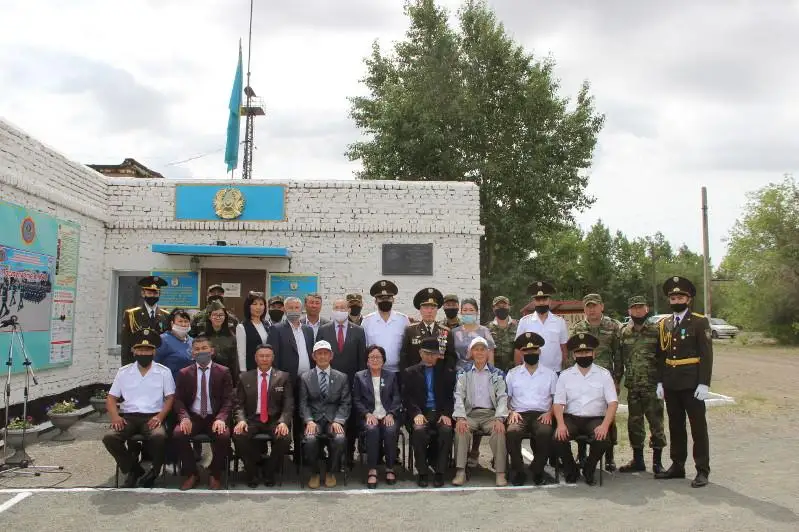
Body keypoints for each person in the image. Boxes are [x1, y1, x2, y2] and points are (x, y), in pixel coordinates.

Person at [655, 276, 713, 488]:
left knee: (698, 428)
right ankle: (677, 465)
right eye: (673, 296)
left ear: (688, 299)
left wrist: (704, 383)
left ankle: (702, 470)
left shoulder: (699, 321)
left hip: (692, 383)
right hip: (671, 383)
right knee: (675, 426)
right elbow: (662, 355)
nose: (676, 299)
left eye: (680, 296)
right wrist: (660, 382)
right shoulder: (665, 324)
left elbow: (706, 355)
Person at [102, 328, 175, 488]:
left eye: (148, 350)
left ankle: (154, 471)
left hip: (152, 417)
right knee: (110, 437)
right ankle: (133, 469)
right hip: (128, 417)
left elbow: (170, 398)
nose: (144, 353)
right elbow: (111, 398)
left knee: (159, 437)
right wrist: (115, 417)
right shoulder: (124, 372)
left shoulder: (164, 372)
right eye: (140, 349)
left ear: (154, 352)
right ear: (133, 351)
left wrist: (160, 417)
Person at [553, 333, 618, 485]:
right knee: (557, 438)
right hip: (572, 418)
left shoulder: (604, 374)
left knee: (603, 439)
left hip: (595, 419)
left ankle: (589, 467)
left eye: (587, 352)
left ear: (594, 353)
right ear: (574, 355)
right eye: (580, 353)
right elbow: (558, 403)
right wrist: (561, 424)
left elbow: (613, 403)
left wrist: (604, 426)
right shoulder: (565, 375)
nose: (584, 355)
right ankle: (571, 469)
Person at [171, 334, 234, 490]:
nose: (201, 352)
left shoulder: (223, 371)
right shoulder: (184, 373)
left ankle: (215, 473)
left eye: (204, 348)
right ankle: (192, 473)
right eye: (197, 349)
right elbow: (178, 399)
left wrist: (221, 418)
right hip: (194, 417)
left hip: (214, 417)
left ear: (212, 351)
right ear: (192, 353)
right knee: (179, 434)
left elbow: (228, 400)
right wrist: (184, 417)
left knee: (224, 436)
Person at [570, 293, 622, 471]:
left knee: (609, 417)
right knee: (582, 412)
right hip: (584, 378)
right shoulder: (579, 328)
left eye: (594, 306)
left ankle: (609, 456)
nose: (591, 309)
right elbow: (573, 355)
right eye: (588, 306)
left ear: (602, 307)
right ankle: (582, 453)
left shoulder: (613, 326)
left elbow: (619, 355)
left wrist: (617, 379)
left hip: (606, 378)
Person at [233, 344, 294, 487]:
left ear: (273, 358)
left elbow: (288, 403)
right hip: (252, 420)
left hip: (274, 420)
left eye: (268, 356)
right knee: (238, 435)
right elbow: (238, 405)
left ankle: (269, 471)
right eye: (261, 356)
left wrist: (284, 422)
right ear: (256, 358)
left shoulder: (283, 377)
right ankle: (252, 471)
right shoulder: (244, 377)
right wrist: (241, 420)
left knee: (284, 438)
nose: (265, 359)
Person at [618, 295, 666, 474]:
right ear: (629, 311)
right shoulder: (624, 332)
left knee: (656, 423)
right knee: (634, 424)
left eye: (641, 307)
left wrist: (663, 382)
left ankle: (657, 463)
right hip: (633, 387)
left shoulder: (657, 331)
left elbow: (664, 358)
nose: (637, 311)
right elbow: (620, 360)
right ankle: (638, 460)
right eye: (634, 308)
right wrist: (616, 381)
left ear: (647, 309)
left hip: (652, 386)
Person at [451, 337, 508, 487]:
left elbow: (502, 397)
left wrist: (500, 418)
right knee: (461, 430)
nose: (480, 352)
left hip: (491, 415)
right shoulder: (463, 373)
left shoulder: (497, 373)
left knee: (499, 431)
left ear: (488, 352)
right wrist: (461, 418)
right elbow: (458, 396)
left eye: (483, 349)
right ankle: (460, 471)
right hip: (470, 414)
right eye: (476, 349)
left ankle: (500, 472)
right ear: (471, 352)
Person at [317, 297, 367, 466]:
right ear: (332, 309)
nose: (340, 310)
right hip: (329, 382)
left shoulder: (359, 331)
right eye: (337, 307)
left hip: (352, 382)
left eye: (343, 308)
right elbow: (319, 356)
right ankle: (330, 455)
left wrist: (359, 383)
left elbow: (362, 360)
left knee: (349, 420)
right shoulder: (324, 330)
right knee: (330, 417)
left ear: (348, 310)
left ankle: (348, 454)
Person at [402, 337, 456, 488]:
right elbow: (407, 398)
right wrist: (416, 414)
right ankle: (423, 472)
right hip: (421, 412)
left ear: (438, 355)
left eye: (433, 354)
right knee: (418, 431)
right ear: (420, 353)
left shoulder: (446, 372)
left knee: (446, 430)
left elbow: (450, 397)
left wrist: (446, 413)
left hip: (439, 412)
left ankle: (439, 472)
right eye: (426, 353)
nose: (430, 357)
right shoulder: (410, 372)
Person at [505, 332, 557, 486]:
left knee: (545, 432)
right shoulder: (513, 374)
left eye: (534, 350)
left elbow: (557, 400)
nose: (530, 353)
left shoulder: (550, 374)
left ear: (539, 351)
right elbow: (505, 398)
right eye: (526, 351)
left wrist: (550, 413)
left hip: (542, 414)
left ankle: (538, 470)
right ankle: (518, 470)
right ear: (521, 353)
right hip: (519, 413)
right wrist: (510, 412)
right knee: (512, 432)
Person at [299, 340, 351, 489]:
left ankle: (330, 472)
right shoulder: (305, 377)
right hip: (314, 420)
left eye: (325, 353)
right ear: (313, 356)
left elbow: (345, 402)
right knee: (309, 440)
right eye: (319, 354)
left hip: (333, 420)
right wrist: (308, 420)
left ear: (331, 356)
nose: (322, 356)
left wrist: (339, 420)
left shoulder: (342, 377)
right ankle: (314, 473)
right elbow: (303, 403)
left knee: (340, 439)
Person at [353, 345, 402, 488]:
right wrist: (367, 413)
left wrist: (391, 413)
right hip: (368, 416)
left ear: (383, 360)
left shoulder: (391, 376)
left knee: (390, 430)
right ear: (367, 361)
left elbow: (397, 398)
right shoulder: (360, 376)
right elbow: (356, 399)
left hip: (387, 415)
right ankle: (372, 469)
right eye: (371, 357)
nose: (375, 360)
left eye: (378, 357)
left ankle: (390, 467)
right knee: (372, 430)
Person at [515, 281, 569, 373]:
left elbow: (564, 348)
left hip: (554, 371)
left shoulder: (560, 322)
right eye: (538, 300)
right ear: (533, 302)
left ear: (550, 301)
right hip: (530, 371)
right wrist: (517, 370)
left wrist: (565, 369)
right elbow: (518, 348)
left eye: (544, 300)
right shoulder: (524, 322)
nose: (541, 303)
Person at [400, 287, 457, 370]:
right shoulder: (410, 330)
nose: (429, 311)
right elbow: (404, 357)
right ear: (420, 310)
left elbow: (450, 357)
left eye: (433, 308)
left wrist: (446, 375)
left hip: (438, 377)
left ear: (437, 310)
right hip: (416, 376)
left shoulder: (445, 331)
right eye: (426, 308)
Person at [361, 280, 410, 374]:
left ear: (393, 300)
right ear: (375, 301)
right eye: (381, 298)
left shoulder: (403, 320)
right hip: (375, 371)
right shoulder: (367, 321)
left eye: (388, 298)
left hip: (398, 372)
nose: (385, 301)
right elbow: (364, 347)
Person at [120, 276, 170, 365]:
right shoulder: (131, 314)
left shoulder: (166, 315)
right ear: (143, 293)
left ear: (159, 294)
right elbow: (126, 345)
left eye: (155, 293)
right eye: (149, 293)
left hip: (159, 364)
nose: (152, 296)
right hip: (137, 362)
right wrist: (126, 367)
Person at [268, 297, 315, 379]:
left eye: (296, 307)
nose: (294, 310)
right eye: (290, 308)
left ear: (301, 309)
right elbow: (273, 357)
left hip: (307, 378)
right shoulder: (276, 329)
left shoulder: (308, 330)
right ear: (285, 310)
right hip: (286, 379)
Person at [451, 298, 495, 370]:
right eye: (465, 310)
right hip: (459, 374)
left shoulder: (484, 331)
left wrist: (491, 374)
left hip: (480, 372)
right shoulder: (454, 332)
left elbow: (490, 356)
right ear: (461, 312)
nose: (468, 312)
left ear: (477, 312)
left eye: (471, 310)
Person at [203, 300, 240, 386]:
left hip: (227, 378)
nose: (218, 317)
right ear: (209, 317)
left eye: (221, 315)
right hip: (207, 377)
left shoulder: (232, 337)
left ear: (225, 317)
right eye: (215, 315)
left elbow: (235, 363)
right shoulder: (203, 337)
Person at [155, 308, 194, 381]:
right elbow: (154, 365)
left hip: (189, 386)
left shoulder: (192, 341)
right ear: (172, 323)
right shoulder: (162, 340)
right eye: (180, 321)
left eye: (186, 321)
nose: (183, 324)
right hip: (170, 386)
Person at [236, 291, 269, 372]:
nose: (258, 307)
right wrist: (243, 373)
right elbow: (241, 354)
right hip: (252, 369)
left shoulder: (267, 324)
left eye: (261, 304)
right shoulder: (242, 327)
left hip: (267, 369)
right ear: (248, 306)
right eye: (254, 304)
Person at [485, 296, 518, 373]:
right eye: (498, 306)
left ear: (509, 307)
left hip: (514, 371)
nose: (501, 308)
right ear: (493, 308)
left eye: (504, 306)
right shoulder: (487, 328)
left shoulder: (518, 326)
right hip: (495, 371)